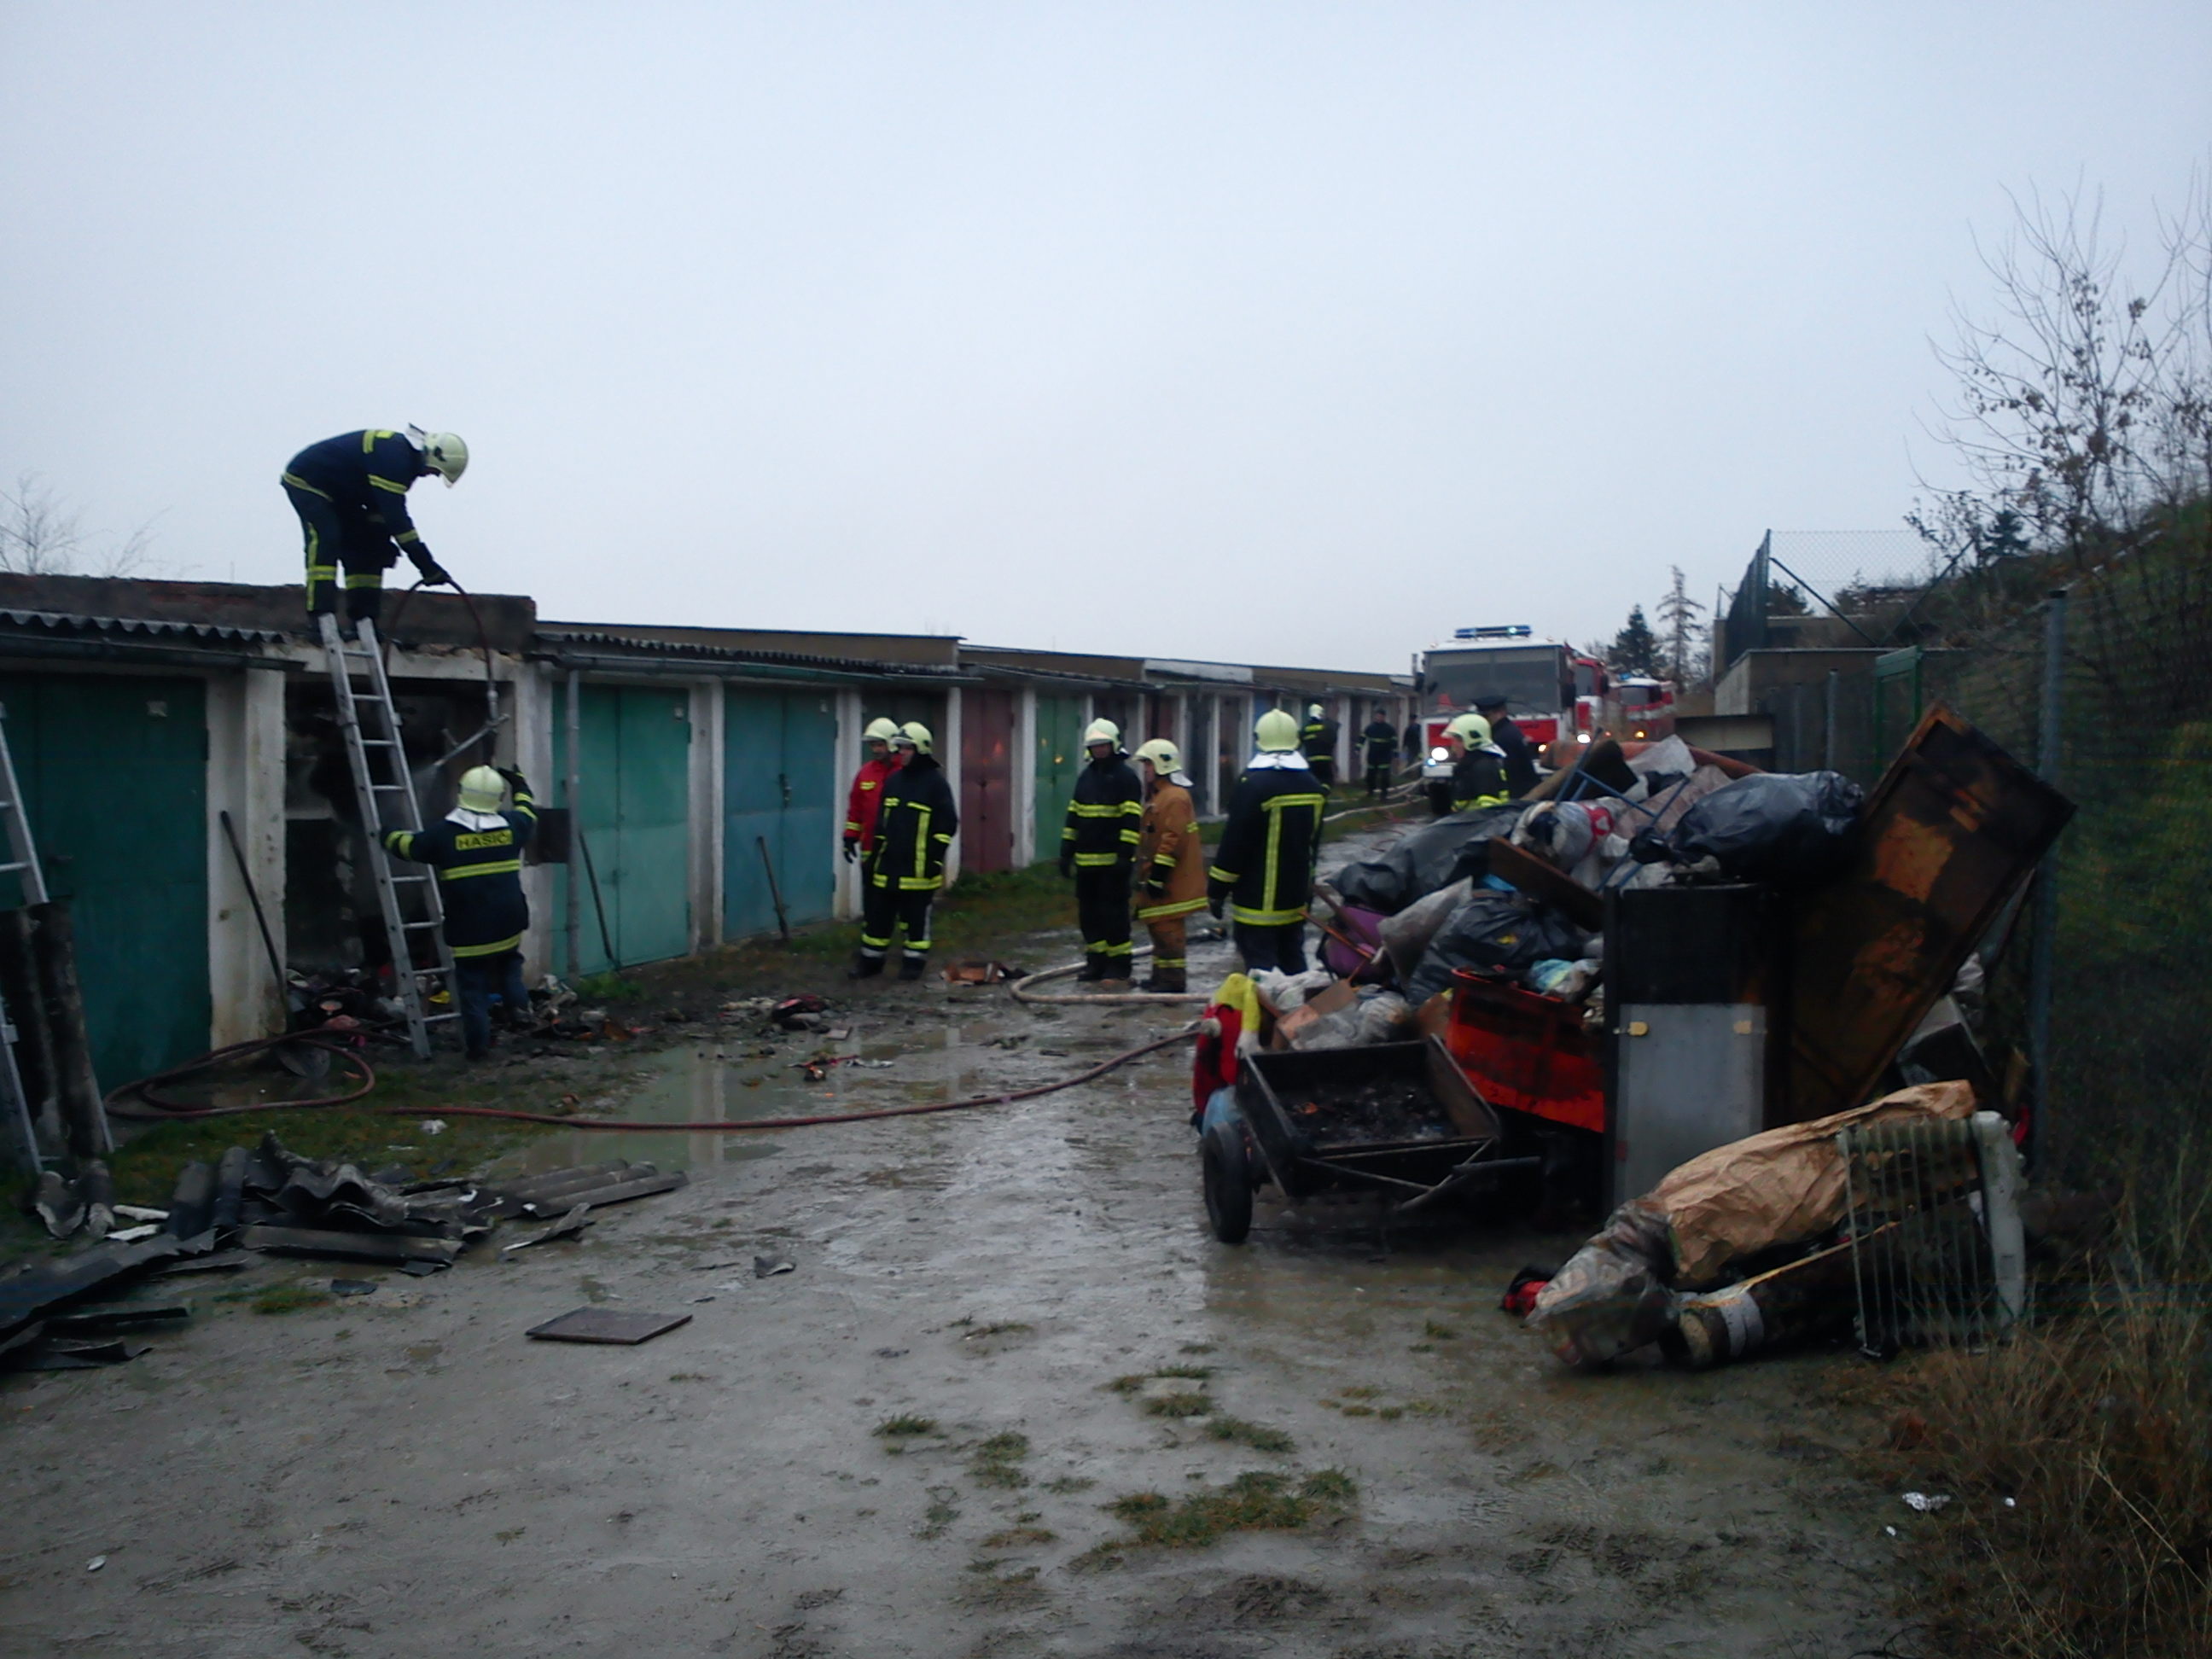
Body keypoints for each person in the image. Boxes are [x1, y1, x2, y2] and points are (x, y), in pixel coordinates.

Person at [380, 763, 534, 1061]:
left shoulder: (444, 835)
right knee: (509, 965)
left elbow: (408, 846)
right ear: (496, 798)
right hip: (509, 923)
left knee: (472, 989)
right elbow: (528, 811)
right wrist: (520, 783)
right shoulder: (512, 826)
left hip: (470, 930)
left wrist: (385, 831)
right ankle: (520, 1008)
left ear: (462, 794)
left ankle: (478, 1049)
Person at [282, 428, 468, 629]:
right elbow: (398, 520)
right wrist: (426, 565)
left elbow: (379, 509)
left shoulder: (406, 466)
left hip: (343, 493)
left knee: (370, 548)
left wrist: (381, 541)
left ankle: (364, 620)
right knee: (327, 538)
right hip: (309, 481)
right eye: (435, 470)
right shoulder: (395, 458)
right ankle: (320, 616)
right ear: (433, 454)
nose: (430, 475)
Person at [1208, 709, 1327, 973]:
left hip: (1256, 902)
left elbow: (1235, 843)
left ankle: (1266, 1014)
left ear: (1259, 739)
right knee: (1294, 965)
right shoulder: (1313, 786)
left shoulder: (1252, 785)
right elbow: (1312, 847)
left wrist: (1217, 889)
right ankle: (1300, 1014)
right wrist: (1308, 887)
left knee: (1261, 973)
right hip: (1295, 899)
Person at [851, 723, 957, 981]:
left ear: (921, 749)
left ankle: (913, 964)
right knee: (877, 917)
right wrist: (873, 858)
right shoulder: (894, 781)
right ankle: (871, 962)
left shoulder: (936, 784)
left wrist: (934, 858)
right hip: (887, 867)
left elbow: (947, 824)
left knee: (915, 921)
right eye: (899, 748)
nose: (901, 753)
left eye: (907, 748)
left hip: (919, 869)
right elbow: (881, 825)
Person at [1059, 719, 1144, 982]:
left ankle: (1119, 966)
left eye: (1103, 745)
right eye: (1094, 746)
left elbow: (1131, 820)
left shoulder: (1126, 778)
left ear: (1114, 744)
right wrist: (1066, 852)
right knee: (1089, 916)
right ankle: (1096, 962)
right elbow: (1074, 815)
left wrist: (1124, 855)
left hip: (1112, 865)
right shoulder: (1086, 777)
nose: (1099, 750)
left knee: (1114, 916)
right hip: (1086, 864)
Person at [1130, 738, 1207, 993]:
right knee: (1158, 928)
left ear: (1161, 765)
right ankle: (1160, 977)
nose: (1145, 770)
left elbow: (1172, 840)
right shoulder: (1162, 796)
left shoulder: (1174, 797)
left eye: (1148, 764)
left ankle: (1172, 981)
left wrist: (1158, 875)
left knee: (1168, 929)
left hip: (1171, 881)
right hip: (1160, 877)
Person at [842, 717, 906, 864]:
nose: (875, 750)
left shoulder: (905, 772)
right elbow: (856, 809)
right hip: (870, 848)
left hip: (899, 849)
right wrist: (850, 837)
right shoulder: (865, 772)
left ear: (891, 744)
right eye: (873, 745)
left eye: (879, 745)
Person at [1442, 713, 1511, 812]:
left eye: (1458, 740)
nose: (1453, 746)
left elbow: (1490, 812)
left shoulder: (1484, 767)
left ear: (1471, 740)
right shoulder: (1472, 765)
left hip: (1478, 825)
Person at [1474, 694, 1540, 795]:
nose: (1482, 720)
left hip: (1515, 793)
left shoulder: (1501, 737)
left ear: (1500, 713)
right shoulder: (1507, 731)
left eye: (1486, 716)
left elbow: (1508, 771)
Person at [1300, 702, 1341, 789]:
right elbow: (1333, 740)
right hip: (1325, 760)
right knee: (1326, 780)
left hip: (1311, 760)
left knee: (1314, 781)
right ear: (1320, 713)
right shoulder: (1327, 727)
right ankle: (1324, 795)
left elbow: (1299, 743)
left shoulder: (1305, 729)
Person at [1361, 708, 1399, 798]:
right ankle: (1370, 791)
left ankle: (1384, 793)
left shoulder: (1389, 729)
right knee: (1370, 775)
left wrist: (1396, 755)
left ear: (1384, 717)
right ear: (1375, 716)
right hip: (1372, 755)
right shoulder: (1370, 728)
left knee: (1384, 776)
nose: (1379, 718)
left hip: (1385, 755)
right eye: (1378, 716)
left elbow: (1394, 743)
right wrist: (1357, 748)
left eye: (1381, 716)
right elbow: (1362, 738)